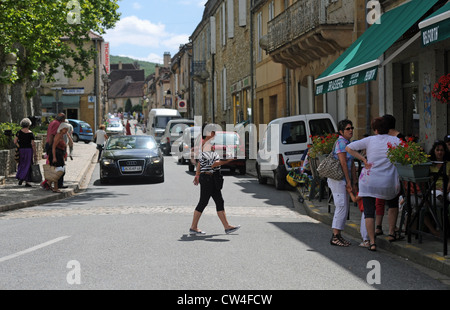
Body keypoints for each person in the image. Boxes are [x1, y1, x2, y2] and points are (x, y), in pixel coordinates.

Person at [346, 117, 402, 251]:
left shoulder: (369, 140)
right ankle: (392, 233)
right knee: (393, 204)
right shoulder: (395, 141)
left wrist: (363, 159)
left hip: (369, 181)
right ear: (388, 129)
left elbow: (348, 148)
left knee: (369, 211)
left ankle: (371, 242)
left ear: (375, 130)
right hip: (388, 182)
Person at [190, 124, 240, 235]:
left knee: (219, 201)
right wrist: (228, 160)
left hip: (209, 177)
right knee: (203, 202)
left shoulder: (207, 144)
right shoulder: (206, 145)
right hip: (208, 178)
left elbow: (199, 162)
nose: (215, 134)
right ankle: (193, 227)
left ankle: (227, 227)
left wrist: (197, 175)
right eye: (214, 132)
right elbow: (212, 163)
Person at [327, 119, 357, 247]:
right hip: (338, 179)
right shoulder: (340, 143)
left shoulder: (347, 143)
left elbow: (351, 165)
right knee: (341, 206)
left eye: (352, 128)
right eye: (348, 129)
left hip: (343, 179)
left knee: (344, 207)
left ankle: (339, 235)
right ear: (341, 131)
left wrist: (354, 181)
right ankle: (335, 236)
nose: (351, 131)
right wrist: (349, 181)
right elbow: (343, 163)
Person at [42, 113, 66, 190]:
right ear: (62, 119)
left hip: (51, 145)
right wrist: (52, 147)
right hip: (54, 147)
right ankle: (53, 184)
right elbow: (52, 135)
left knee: (54, 166)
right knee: (58, 167)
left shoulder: (52, 122)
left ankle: (53, 184)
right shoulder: (57, 124)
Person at [14, 118, 37, 187]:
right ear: (29, 125)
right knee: (28, 164)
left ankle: (20, 176)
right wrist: (35, 154)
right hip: (28, 150)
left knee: (21, 163)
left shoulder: (19, 132)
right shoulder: (30, 133)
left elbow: (15, 141)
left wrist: (19, 146)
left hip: (21, 150)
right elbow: (33, 144)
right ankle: (26, 181)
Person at [48, 123, 70, 193]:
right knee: (58, 171)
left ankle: (49, 183)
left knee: (60, 171)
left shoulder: (62, 136)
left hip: (60, 155)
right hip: (56, 155)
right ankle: (55, 187)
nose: (66, 130)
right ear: (61, 128)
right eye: (65, 129)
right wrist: (54, 157)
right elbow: (53, 147)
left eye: (67, 129)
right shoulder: (58, 136)